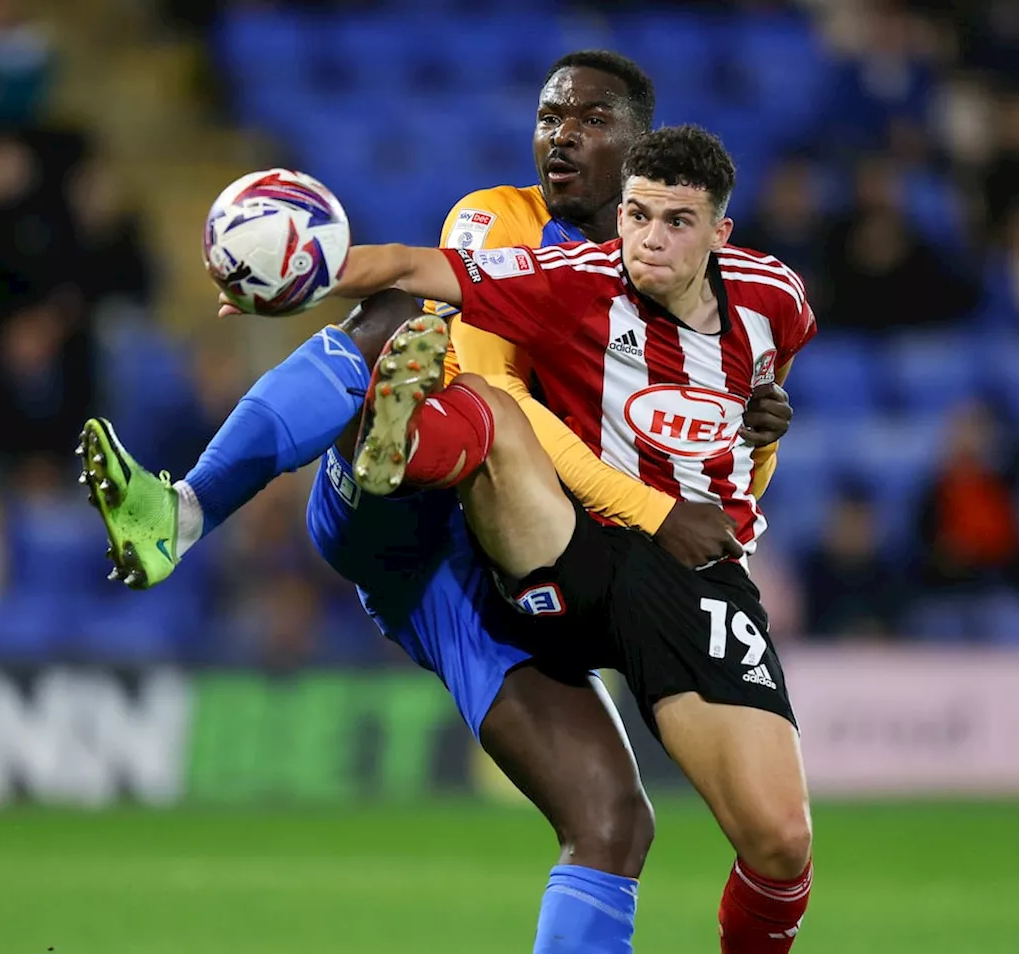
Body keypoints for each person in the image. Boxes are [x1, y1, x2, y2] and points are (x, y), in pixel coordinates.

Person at [82, 52, 786, 954]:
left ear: (644, 149)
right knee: (404, 313)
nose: (560, 134)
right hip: (424, 515)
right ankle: (191, 509)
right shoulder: (501, 220)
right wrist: (310, 275)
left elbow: (722, 478)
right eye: (548, 116)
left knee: (614, 820)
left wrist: (758, 429)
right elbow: (504, 403)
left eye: (590, 119)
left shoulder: (687, 284)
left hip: (521, 575)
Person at [261, 124, 816, 953]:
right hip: (568, 545)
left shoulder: (778, 301)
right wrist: (293, 274)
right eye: (636, 215)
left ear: (720, 234)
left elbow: (743, 443)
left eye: (676, 221)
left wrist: (767, 431)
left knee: (780, 844)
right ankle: (405, 445)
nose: (649, 240)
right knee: (492, 399)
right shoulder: (574, 278)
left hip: (694, 580)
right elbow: (416, 267)